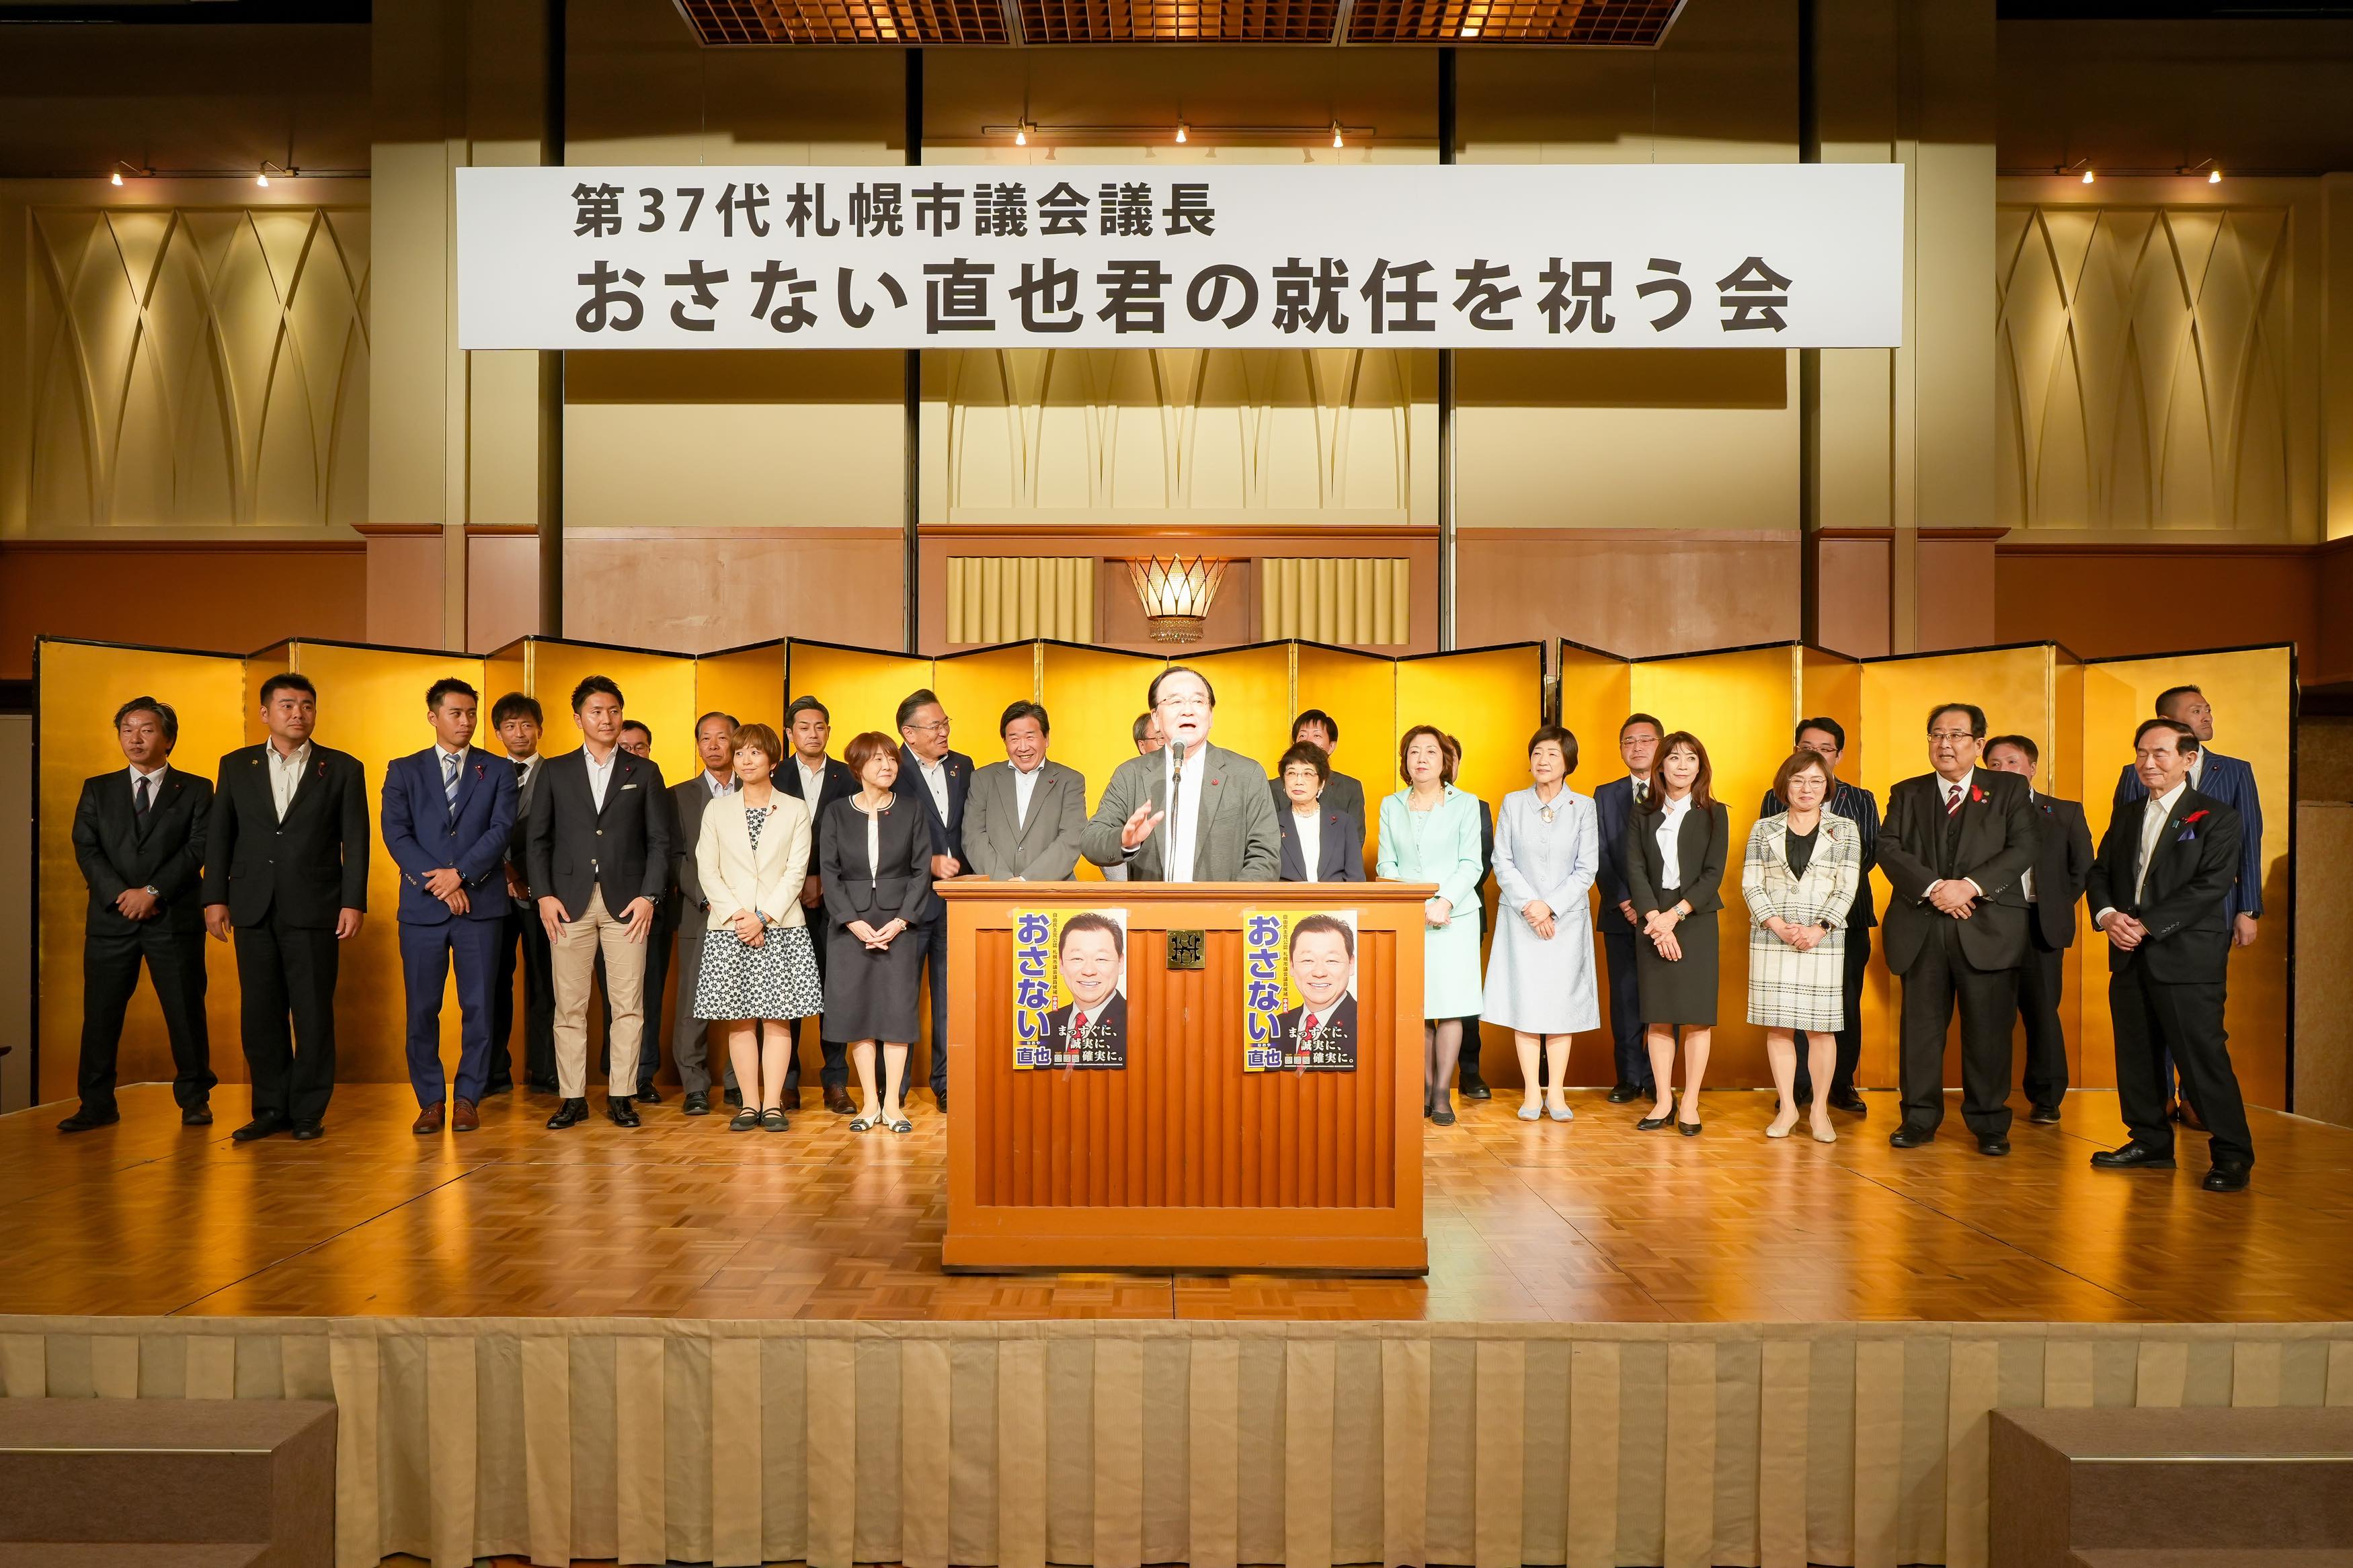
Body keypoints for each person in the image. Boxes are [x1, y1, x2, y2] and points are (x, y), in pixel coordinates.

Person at [2087, 718, 2254, 1191]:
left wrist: (2147, 924)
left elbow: (2211, 885)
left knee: (2202, 1059)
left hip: (2186, 958)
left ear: (2188, 759)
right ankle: (2149, 1142)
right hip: (2129, 954)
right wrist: (2108, 916)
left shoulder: (2217, 816)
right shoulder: (2127, 814)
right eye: (2141, 753)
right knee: (2137, 1056)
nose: (2148, 762)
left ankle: (2232, 1154)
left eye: (2159, 753)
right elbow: (2099, 873)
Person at [201, 672, 368, 1143]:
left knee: (312, 1013)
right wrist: (214, 897)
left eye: (307, 705)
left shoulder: (342, 767)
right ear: (265, 713)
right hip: (251, 905)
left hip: (316, 906)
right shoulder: (237, 765)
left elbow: (356, 841)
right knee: (260, 1013)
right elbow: (220, 836)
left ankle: (308, 1110)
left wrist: (353, 902)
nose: (299, 713)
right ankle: (270, 1107)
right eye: (288, 705)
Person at [1878, 702, 2038, 1156]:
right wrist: (1935, 888)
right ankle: (1918, 1118)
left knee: (1988, 1031)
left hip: (1987, 927)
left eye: (1956, 735)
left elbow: (2024, 846)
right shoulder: (1907, 792)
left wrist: (1969, 887)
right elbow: (1888, 848)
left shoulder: (2008, 788)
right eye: (1936, 735)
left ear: (1979, 744)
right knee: (1921, 1032)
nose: (1944, 744)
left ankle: (1989, 1122)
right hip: (1922, 927)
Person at [2108, 685, 2264, 1129]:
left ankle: (2212, 1123)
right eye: (2197, 710)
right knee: (2141, 1040)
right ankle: (2153, 1124)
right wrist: (2112, 915)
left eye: (2207, 709)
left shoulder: (2232, 774)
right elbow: (2118, 856)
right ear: (2170, 718)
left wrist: (2248, 907)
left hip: (2200, 925)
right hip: (2133, 933)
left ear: (2187, 757)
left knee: (2198, 1035)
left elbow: (2246, 844)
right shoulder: (2134, 780)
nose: (2207, 715)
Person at [61, 697, 215, 1132]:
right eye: (127, 729)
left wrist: (152, 891)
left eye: (146, 729)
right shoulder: (98, 788)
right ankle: (96, 1104)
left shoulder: (196, 788)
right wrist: (120, 895)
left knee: (185, 1011)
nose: (135, 738)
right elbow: (86, 847)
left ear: (168, 738)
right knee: (101, 1014)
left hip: (172, 916)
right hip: (112, 919)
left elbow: (199, 847)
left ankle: (195, 1099)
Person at [526, 675, 672, 1130]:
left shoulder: (644, 771)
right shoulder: (555, 770)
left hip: (628, 905)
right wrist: (543, 895)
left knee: (628, 1004)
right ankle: (572, 1097)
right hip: (566, 904)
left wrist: (649, 895)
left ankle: (621, 1095)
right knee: (569, 1006)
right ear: (578, 719)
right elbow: (537, 839)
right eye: (596, 711)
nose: (606, 719)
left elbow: (660, 841)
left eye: (613, 710)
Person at [381, 678, 517, 1134]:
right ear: (433, 716)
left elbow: (501, 829)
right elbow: (396, 834)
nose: (466, 721)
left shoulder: (498, 769)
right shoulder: (404, 770)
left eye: (472, 713)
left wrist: (461, 874)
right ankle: (430, 1101)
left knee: (480, 1006)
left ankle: (467, 1098)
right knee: (422, 1008)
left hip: (481, 906)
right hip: (423, 909)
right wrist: (440, 882)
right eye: (456, 713)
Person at [692, 723, 823, 1134]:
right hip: (730, 927)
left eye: (754, 752)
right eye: (740, 753)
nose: (746, 760)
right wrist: (739, 916)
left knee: (778, 1020)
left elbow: (796, 872)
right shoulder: (717, 810)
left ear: (772, 760)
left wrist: (763, 917)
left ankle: (773, 1104)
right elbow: (707, 870)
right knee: (741, 1020)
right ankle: (749, 1104)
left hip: (781, 926)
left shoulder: (795, 809)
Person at [1758, 717, 1879, 1116]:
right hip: (1785, 925)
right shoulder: (1774, 798)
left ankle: (1841, 1084)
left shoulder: (1860, 800)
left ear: (1838, 756)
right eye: (1806, 747)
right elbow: (1765, 865)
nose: (1816, 756)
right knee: (1789, 1007)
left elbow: (1867, 856)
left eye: (1825, 749)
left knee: (1842, 1004)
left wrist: (1823, 916)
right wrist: (1788, 920)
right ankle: (1796, 1088)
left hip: (1846, 918)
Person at [1743, 749, 1863, 1145]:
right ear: (1785, 786)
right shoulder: (1764, 829)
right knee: (1779, 1027)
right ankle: (1788, 1108)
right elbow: (1752, 884)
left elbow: (1847, 887)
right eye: (1798, 781)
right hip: (1772, 937)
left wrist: (1820, 928)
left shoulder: (1845, 830)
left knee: (1820, 1029)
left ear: (1827, 786)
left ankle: (1820, 1110)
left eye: (1815, 781)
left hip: (1822, 940)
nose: (1806, 789)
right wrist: (1777, 925)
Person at [1482, 725, 1599, 1124]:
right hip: (1521, 920)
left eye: (1552, 753)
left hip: (1566, 922)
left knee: (1562, 1005)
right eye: (1537, 753)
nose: (1543, 760)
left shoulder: (1583, 807)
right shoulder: (1513, 803)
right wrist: (1532, 906)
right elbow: (1502, 861)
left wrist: (1550, 907)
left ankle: (1557, 1091)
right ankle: (1532, 1090)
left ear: (1568, 761)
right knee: (1527, 1002)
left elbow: (1587, 868)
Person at [822, 731, 936, 1135]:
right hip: (849, 926)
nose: (887, 766)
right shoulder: (837, 811)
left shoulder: (911, 808)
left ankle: (893, 1105)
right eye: (877, 759)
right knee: (859, 1013)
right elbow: (829, 872)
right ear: (857, 767)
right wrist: (851, 921)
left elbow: (922, 870)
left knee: (896, 1013)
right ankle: (870, 1101)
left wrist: (902, 920)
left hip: (898, 925)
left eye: (891, 758)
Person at [1375, 725, 1486, 1126]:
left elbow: (1471, 863)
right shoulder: (1391, 804)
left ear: (1445, 761)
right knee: (1418, 1005)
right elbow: (1386, 862)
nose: (1421, 759)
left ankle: (1442, 1091)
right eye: (1413, 752)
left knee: (1452, 1006)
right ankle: (1422, 1087)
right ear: (1405, 761)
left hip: (1455, 917)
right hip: (1409, 917)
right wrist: (1412, 903)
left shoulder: (1466, 804)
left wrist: (1444, 901)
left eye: (1431, 752)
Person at [1622, 731, 1728, 1135]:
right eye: (1674, 758)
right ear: (1661, 765)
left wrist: (1675, 916)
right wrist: (1655, 919)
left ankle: (1691, 1103)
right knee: (1660, 1016)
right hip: (1652, 917)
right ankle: (1664, 1100)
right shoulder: (1642, 813)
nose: (1682, 766)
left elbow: (1713, 874)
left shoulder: (1715, 813)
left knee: (1697, 1018)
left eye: (1691, 758)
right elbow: (1634, 868)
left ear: (1701, 767)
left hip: (1695, 918)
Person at [1985, 733, 2095, 1123]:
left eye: (2011, 762)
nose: (2003, 770)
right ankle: (1989, 1098)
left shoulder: (2064, 812)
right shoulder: (1978, 813)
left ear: (2032, 768)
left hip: (2041, 924)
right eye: (1994, 764)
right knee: (1991, 1015)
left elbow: (2082, 868)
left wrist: (2054, 905)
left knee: (2043, 1013)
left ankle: (2047, 1098)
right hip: (1991, 923)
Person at [1082, 666, 1281, 882]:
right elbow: (1091, 840)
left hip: (1223, 904)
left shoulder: (1246, 775)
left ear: (1210, 716)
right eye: (1176, 701)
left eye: (1198, 701)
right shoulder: (1131, 775)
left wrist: (1226, 900)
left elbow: (1265, 857)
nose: (1188, 710)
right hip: (1151, 903)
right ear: (1156, 718)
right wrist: (1125, 840)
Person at [776, 696, 859, 1113]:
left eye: (820, 726)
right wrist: (798, 881)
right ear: (790, 733)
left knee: (834, 991)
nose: (813, 733)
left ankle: (836, 1082)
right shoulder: (774, 775)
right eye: (804, 727)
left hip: (837, 898)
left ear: (829, 730)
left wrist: (825, 879)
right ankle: (786, 1081)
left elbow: (857, 836)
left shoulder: (849, 776)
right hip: (783, 901)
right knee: (787, 990)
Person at [896, 688, 971, 1115]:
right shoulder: (890, 768)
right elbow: (882, 837)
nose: (944, 732)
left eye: (946, 723)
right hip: (906, 905)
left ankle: (947, 1083)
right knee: (901, 998)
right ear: (909, 733)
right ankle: (895, 1087)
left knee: (950, 999)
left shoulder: (964, 766)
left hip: (956, 904)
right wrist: (928, 863)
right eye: (935, 726)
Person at [597, 719, 678, 1104]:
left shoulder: (651, 781)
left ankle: (642, 1074)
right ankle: (614, 1072)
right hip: (600, 906)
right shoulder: (595, 785)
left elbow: (662, 844)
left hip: (649, 907)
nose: (632, 752)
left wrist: (650, 896)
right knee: (610, 996)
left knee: (648, 995)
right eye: (625, 746)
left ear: (649, 750)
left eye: (640, 747)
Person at [668, 710, 742, 1116]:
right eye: (705, 739)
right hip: (700, 911)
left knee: (745, 1000)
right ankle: (695, 1085)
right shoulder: (678, 796)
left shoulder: (757, 790)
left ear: (737, 742)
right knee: (693, 1002)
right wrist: (707, 897)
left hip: (748, 914)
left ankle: (737, 1081)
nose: (713, 746)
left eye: (722, 738)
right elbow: (676, 857)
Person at [1593, 715, 1664, 1105]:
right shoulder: (1605, 794)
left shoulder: (1677, 788)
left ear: (1661, 744)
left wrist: (1654, 908)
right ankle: (1629, 1077)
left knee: (1662, 998)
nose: (1637, 748)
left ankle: (1657, 1078)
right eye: (1628, 741)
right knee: (1623, 999)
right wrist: (1625, 900)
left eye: (1645, 740)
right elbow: (1598, 851)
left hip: (1667, 916)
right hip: (1620, 913)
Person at [487, 692, 555, 1095]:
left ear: (540, 730)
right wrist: (507, 872)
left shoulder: (557, 773)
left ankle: (545, 1070)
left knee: (545, 983)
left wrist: (532, 880)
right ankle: (494, 1071)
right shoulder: (483, 772)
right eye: (510, 726)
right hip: (490, 891)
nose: (519, 733)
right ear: (498, 733)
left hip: (543, 894)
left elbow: (562, 836)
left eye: (527, 725)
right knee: (493, 983)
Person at [963, 701, 1088, 882]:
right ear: (1005, 742)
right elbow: (973, 837)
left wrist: (1027, 881)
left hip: (1052, 890)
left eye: (1030, 737)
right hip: (995, 890)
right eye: (1014, 739)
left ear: (1046, 738)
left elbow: (1071, 838)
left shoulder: (1070, 781)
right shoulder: (982, 779)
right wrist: (1005, 883)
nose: (1023, 748)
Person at [1440, 732, 1497, 1102]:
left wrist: (1448, 899)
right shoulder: (1400, 806)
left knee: (1462, 995)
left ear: (1457, 764)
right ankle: (1424, 1074)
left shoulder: (1476, 806)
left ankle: (1470, 1070)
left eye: (1449, 757)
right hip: (1415, 911)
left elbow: (1482, 862)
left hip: (1462, 912)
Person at [1039, 913, 1127, 1063]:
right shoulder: (1048, 1022)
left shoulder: (1136, 1022)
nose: (1088, 971)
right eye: (1077, 959)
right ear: (1061, 963)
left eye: (1101, 959)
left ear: (1120, 963)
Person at [1274, 742, 1365, 882]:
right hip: (1288, 896)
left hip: (1335, 896)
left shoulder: (1344, 823)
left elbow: (1356, 878)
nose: (1299, 781)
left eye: (1308, 774)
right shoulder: (1272, 824)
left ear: (1321, 783)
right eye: (1291, 773)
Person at [1271, 709, 1366, 841]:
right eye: (1302, 736)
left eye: (1317, 736)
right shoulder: (1273, 788)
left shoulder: (1349, 788)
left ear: (1332, 746)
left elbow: (1355, 840)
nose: (1308, 741)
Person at [1275, 914, 1357, 1068]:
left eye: (1331, 960)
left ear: (1351, 964)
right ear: (1292, 965)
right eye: (1308, 960)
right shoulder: (1279, 1024)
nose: (1319, 972)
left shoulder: (1368, 1024)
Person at [1102, 712, 1166, 883]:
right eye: (1160, 738)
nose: (1168, 744)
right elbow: (1103, 838)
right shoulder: (1128, 778)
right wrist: (1129, 889)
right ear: (1142, 746)